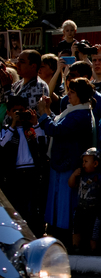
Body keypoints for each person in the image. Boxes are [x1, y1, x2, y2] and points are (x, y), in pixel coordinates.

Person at [35, 78, 96, 244]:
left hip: (67, 165)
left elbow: (55, 130)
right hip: (61, 164)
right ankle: (59, 233)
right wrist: (48, 111)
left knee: (65, 205)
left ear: (80, 95)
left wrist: (42, 113)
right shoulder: (74, 111)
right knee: (57, 203)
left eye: (72, 92)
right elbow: (57, 123)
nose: (68, 94)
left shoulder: (80, 115)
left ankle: (65, 237)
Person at [0, 96, 47, 232]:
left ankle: (35, 233)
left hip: (32, 173)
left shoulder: (31, 128)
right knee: (16, 208)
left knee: (32, 207)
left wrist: (35, 123)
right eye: (16, 111)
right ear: (8, 112)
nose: (19, 114)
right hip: (14, 175)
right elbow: (2, 145)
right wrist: (13, 125)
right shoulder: (6, 130)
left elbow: (43, 143)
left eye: (22, 111)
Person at [69, 148, 101, 254]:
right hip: (80, 209)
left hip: (95, 210)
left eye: (86, 161)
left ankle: (93, 250)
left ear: (95, 163)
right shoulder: (81, 175)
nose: (83, 164)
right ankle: (75, 247)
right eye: (83, 161)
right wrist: (74, 175)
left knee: (94, 232)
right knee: (76, 229)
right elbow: (71, 184)